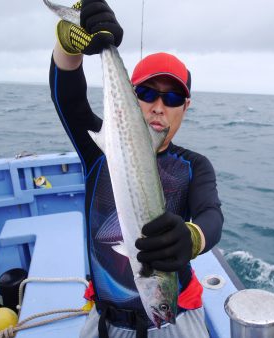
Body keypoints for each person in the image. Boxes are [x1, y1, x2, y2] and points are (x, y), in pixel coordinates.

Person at [49, 1, 223, 337]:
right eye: (147, 93)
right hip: (106, 322)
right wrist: (69, 45)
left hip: (176, 318)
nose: (159, 107)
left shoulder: (194, 166)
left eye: (172, 99)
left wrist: (192, 238)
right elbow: (68, 97)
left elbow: (211, 216)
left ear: (185, 107)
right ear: (131, 94)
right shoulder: (100, 153)